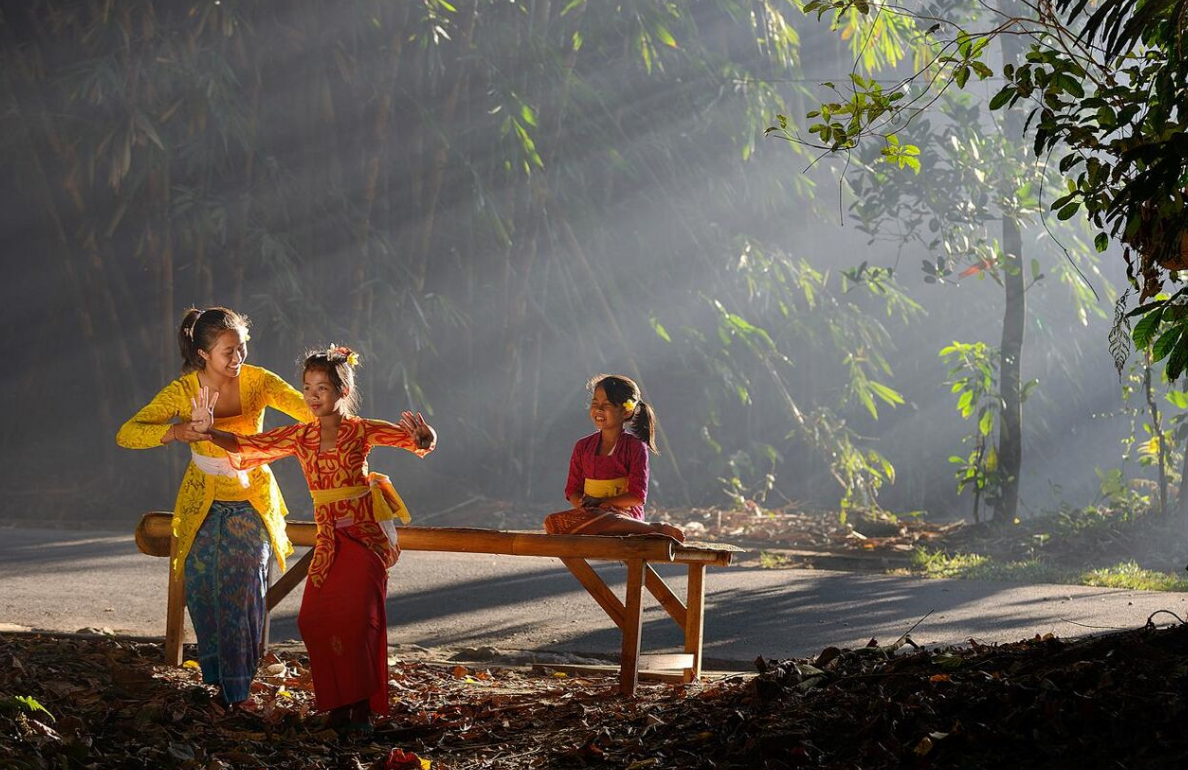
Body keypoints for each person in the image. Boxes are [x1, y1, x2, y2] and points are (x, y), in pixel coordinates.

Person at [189, 345, 435, 736]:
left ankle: (360, 712)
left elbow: (414, 441)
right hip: (329, 543)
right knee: (314, 619)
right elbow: (251, 445)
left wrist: (424, 435)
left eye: (322, 388)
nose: (312, 396)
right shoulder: (301, 436)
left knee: (358, 622)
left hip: (364, 538)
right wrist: (209, 432)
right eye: (307, 388)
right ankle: (337, 705)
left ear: (343, 391)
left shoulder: (361, 429)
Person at [116, 306, 313, 707]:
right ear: (204, 353)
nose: (238, 357)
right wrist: (178, 431)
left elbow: (313, 411)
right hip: (201, 502)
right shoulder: (184, 390)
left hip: (250, 499)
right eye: (228, 351)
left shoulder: (259, 381)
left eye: (241, 347)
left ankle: (238, 691)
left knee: (245, 593)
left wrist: (333, 394)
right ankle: (219, 683)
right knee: (202, 591)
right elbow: (127, 433)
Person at [543, 374, 684, 541]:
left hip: (623, 517)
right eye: (595, 403)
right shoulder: (582, 446)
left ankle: (653, 528)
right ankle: (646, 529)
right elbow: (573, 490)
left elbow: (637, 497)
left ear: (626, 411)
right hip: (591, 515)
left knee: (604, 518)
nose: (598, 409)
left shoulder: (635, 447)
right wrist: (582, 505)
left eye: (607, 404)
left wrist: (602, 502)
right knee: (552, 523)